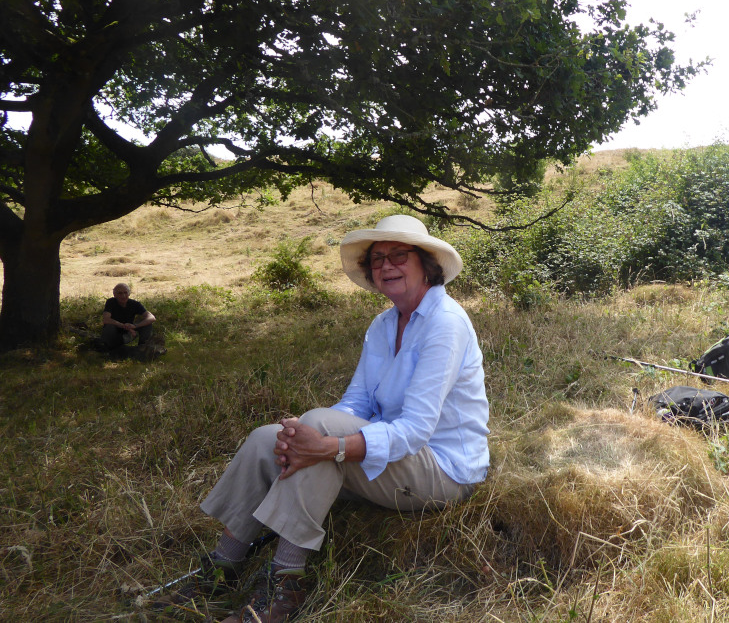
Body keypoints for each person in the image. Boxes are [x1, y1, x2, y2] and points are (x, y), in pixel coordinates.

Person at [154, 215, 490, 623]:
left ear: (427, 265)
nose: (386, 266)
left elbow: (416, 430)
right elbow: (356, 403)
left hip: (443, 470)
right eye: (377, 260)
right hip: (396, 459)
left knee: (321, 438)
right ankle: (220, 569)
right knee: (269, 438)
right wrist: (306, 433)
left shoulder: (446, 324)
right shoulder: (383, 325)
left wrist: (329, 443)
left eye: (399, 255)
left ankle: (284, 589)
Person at [100, 283, 156, 352]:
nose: (123, 296)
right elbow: (106, 319)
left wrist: (135, 326)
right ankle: (108, 348)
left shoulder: (134, 304)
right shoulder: (111, 302)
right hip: (115, 332)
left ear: (129, 293)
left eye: (125, 293)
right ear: (115, 295)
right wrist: (123, 326)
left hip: (129, 332)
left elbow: (152, 318)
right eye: (120, 293)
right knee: (109, 327)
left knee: (147, 324)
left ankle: (142, 348)